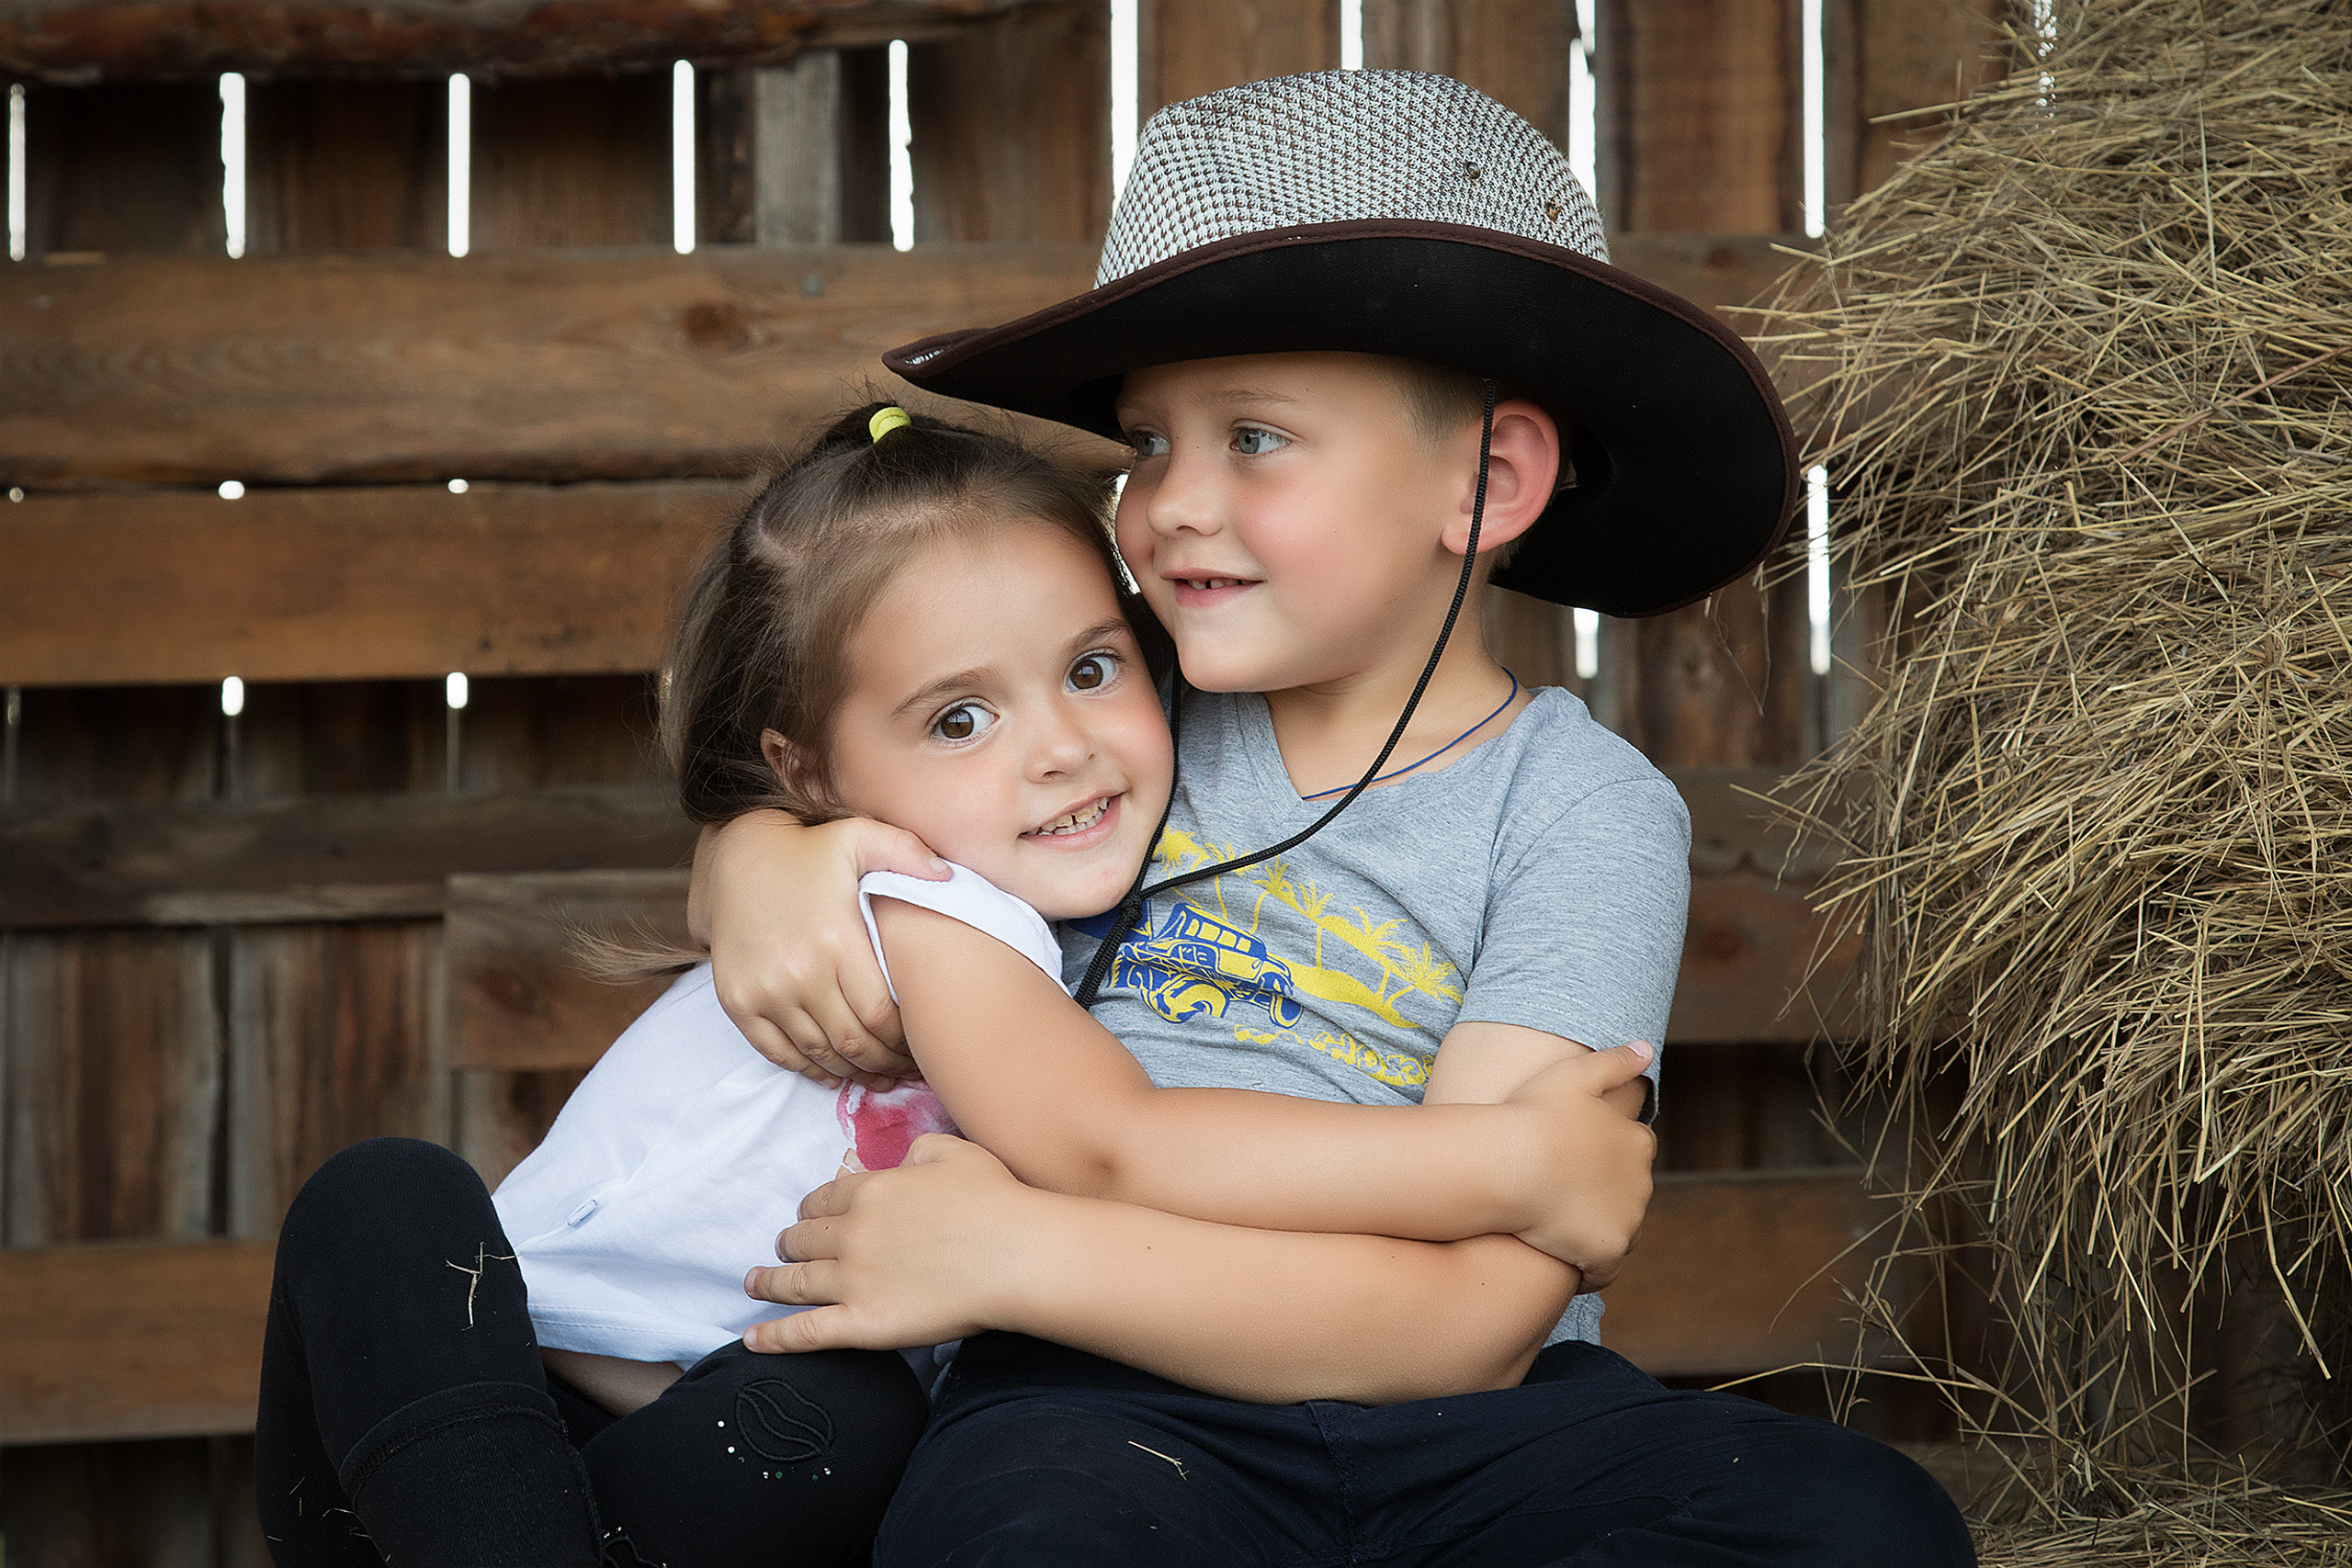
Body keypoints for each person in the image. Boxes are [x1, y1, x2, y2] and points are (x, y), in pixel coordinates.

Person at [703, 72, 1979, 1564]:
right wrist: (758, 861)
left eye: (1252, 437)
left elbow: (1486, 1313)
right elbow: (854, 787)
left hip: (1456, 1413)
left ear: (1488, 480)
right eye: (1146, 443)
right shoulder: (1098, 715)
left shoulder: (1581, 813)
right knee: (1027, 1529)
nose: (1171, 502)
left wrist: (1019, 1250)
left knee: (1859, 1518)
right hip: (1108, 1392)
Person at [253, 401, 1655, 1568]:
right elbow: (1113, 1143)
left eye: (1094, 669)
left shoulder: (1133, 792)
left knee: (857, 1425)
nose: (1061, 748)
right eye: (964, 717)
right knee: (386, 1200)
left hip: (726, 1431)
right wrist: (1510, 1166)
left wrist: (755, 841)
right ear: (810, 772)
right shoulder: (929, 903)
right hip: (491, 1399)